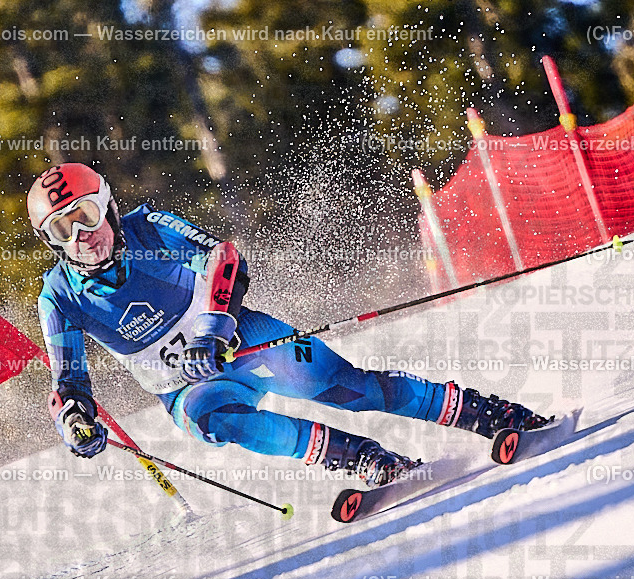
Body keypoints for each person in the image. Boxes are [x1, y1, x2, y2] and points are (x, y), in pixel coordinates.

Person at [29, 163, 548, 489]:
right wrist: (75, 423)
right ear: (50, 240)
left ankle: (486, 413)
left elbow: (225, 258)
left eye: (89, 215)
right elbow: (68, 385)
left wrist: (212, 329)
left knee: (351, 388)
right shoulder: (58, 297)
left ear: (111, 209)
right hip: (183, 388)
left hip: (243, 341)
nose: (83, 236)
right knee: (216, 422)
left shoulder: (151, 229)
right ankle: (360, 456)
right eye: (63, 228)